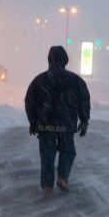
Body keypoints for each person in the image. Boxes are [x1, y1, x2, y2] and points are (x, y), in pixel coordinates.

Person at [24, 46, 91, 196]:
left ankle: (47, 185)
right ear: (65, 61)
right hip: (65, 125)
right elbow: (83, 100)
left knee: (47, 155)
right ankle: (62, 178)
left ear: (49, 60)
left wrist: (33, 121)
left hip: (45, 125)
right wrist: (84, 120)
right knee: (68, 152)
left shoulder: (39, 80)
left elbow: (30, 102)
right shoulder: (75, 80)